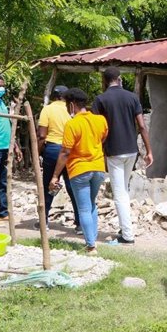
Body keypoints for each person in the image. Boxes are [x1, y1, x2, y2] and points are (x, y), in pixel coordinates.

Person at [92, 66, 153, 244]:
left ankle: (127, 235)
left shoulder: (100, 100)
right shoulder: (132, 97)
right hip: (131, 150)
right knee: (124, 189)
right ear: (119, 79)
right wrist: (149, 151)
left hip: (113, 151)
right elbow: (141, 126)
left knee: (119, 192)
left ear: (105, 81)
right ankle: (124, 227)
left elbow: (96, 127)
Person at [50, 88, 108, 255]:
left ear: (72, 105)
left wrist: (55, 175)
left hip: (79, 170)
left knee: (83, 208)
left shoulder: (72, 124)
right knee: (91, 204)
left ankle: (91, 246)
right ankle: (93, 239)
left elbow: (65, 152)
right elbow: (102, 138)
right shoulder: (100, 120)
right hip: (98, 168)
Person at [37, 85, 81, 233]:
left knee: (49, 184)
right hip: (70, 151)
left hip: (53, 150)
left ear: (54, 95)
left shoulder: (47, 109)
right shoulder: (72, 110)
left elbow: (42, 135)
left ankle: (44, 222)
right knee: (72, 186)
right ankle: (79, 223)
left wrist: (37, 153)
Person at [0, 74, 22, 226]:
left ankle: (3, 213)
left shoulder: (1, 102)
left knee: (3, 181)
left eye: (2, 85)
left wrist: (15, 145)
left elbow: (8, 125)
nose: (0, 88)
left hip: (5, 147)